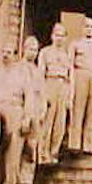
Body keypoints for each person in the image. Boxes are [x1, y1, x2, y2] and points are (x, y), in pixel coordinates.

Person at [0, 44, 33, 184]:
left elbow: (29, 97)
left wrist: (27, 117)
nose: (6, 55)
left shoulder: (21, 75)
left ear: (15, 55)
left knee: (14, 149)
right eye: (3, 52)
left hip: (15, 110)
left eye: (9, 52)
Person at [68, 16, 92, 154]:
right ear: (82, 29)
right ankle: (75, 142)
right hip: (80, 74)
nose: (89, 29)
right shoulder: (75, 44)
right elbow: (70, 64)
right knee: (78, 109)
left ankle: (88, 144)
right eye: (87, 26)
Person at [38, 23, 71, 165]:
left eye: (62, 35)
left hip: (62, 86)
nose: (59, 38)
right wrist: (42, 94)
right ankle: (42, 153)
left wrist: (69, 96)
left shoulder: (66, 55)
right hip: (49, 83)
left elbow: (70, 77)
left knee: (60, 123)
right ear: (52, 36)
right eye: (57, 34)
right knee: (47, 121)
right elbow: (40, 74)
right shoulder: (45, 52)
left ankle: (53, 152)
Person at [17, 36, 43, 184]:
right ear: (23, 49)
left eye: (35, 50)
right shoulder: (18, 69)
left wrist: (41, 111)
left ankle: (27, 176)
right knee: (19, 143)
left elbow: (41, 92)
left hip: (35, 111)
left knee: (32, 146)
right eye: (30, 49)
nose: (32, 53)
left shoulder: (37, 71)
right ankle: (17, 176)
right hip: (22, 110)